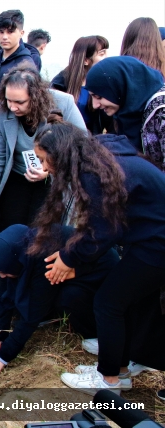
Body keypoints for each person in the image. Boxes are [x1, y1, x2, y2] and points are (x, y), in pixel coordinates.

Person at [25, 118, 165, 394]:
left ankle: (108, 381)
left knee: (108, 303)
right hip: (149, 238)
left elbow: (101, 232)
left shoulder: (95, 174)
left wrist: (69, 258)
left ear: (60, 154)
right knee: (125, 302)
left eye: (44, 160)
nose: (43, 168)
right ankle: (119, 369)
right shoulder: (96, 155)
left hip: (157, 245)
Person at [0, 65, 86, 298]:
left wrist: (49, 171)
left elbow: (82, 147)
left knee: (42, 235)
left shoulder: (63, 104)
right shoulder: (0, 110)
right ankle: (1, 290)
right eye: (9, 101)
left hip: (52, 183)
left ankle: (31, 292)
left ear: (35, 96)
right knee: (9, 233)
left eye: (20, 103)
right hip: (16, 178)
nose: (13, 107)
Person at [0, 224, 119, 384]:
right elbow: (4, 297)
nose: (1, 276)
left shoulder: (44, 256)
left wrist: (1, 359)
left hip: (97, 276)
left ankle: (94, 335)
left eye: (5, 272)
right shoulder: (20, 251)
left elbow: (32, 315)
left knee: (67, 297)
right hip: (64, 273)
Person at [85, 56, 165, 161]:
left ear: (119, 86)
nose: (95, 105)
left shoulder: (161, 111)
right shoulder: (129, 113)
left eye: (99, 97)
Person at [50, 35, 113, 135]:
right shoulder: (60, 83)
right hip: (64, 139)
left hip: (92, 140)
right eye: (102, 54)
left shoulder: (104, 82)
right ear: (86, 60)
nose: (107, 58)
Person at [0, 10, 40, 90]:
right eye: (1, 32)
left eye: (10, 32)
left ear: (21, 33)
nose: (5, 37)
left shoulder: (26, 65)